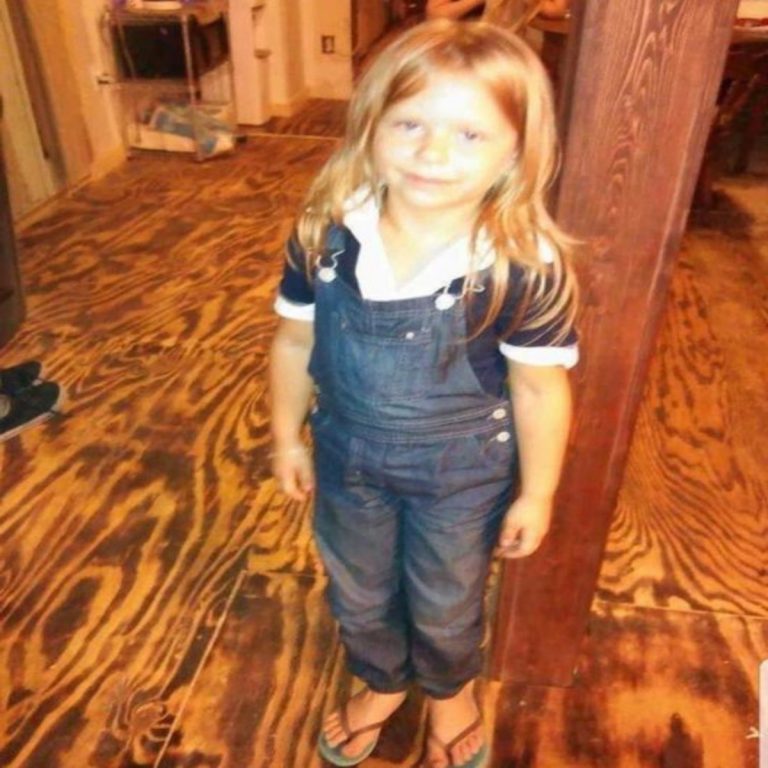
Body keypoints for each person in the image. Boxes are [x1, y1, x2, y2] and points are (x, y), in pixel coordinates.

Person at [269, 19, 578, 768]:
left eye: (470, 134)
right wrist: (284, 437)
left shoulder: (523, 264)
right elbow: (294, 343)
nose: (432, 153)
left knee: (447, 594)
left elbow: (540, 390)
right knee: (358, 587)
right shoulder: (323, 234)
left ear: (516, 150)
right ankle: (381, 680)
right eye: (409, 123)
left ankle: (448, 690)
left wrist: (537, 494)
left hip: (462, 472)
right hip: (346, 456)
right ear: (370, 124)